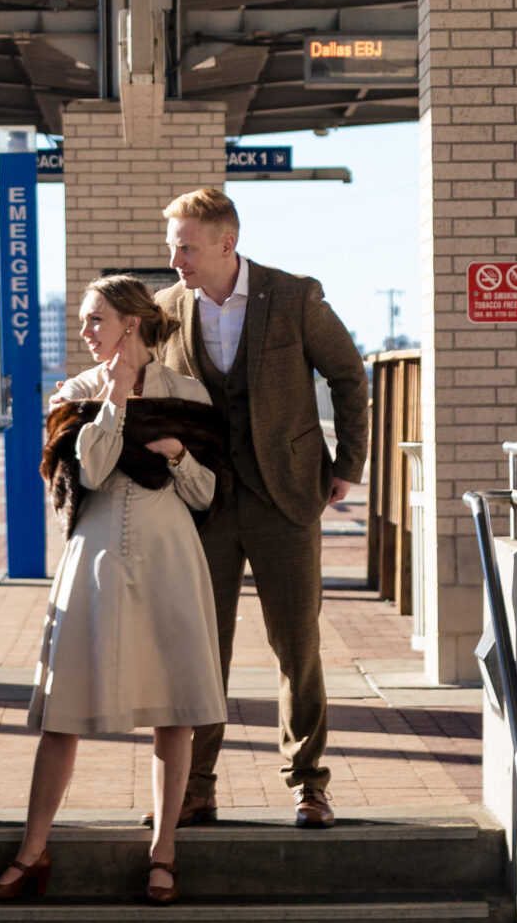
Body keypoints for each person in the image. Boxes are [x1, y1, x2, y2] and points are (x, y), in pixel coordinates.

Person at [0, 275, 230, 907]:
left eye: (95, 320)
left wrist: (174, 455)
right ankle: (32, 851)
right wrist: (114, 400)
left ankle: (163, 852)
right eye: (86, 321)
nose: (86, 332)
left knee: (173, 711)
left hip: (170, 558)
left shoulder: (189, 395)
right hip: (92, 561)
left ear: (131, 324)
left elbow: (205, 494)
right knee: (64, 712)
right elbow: (87, 471)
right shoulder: (75, 394)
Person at [156, 186, 369, 829]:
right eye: (172, 248)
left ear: (228, 243)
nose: (176, 262)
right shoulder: (168, 309)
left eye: (186, 248)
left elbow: (349, 376)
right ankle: (195, 787)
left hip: (287, 498)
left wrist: (347, 467)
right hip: (205, 504)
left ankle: (309, 783)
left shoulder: (294, 296)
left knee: (296, 645)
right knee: (201, 649)